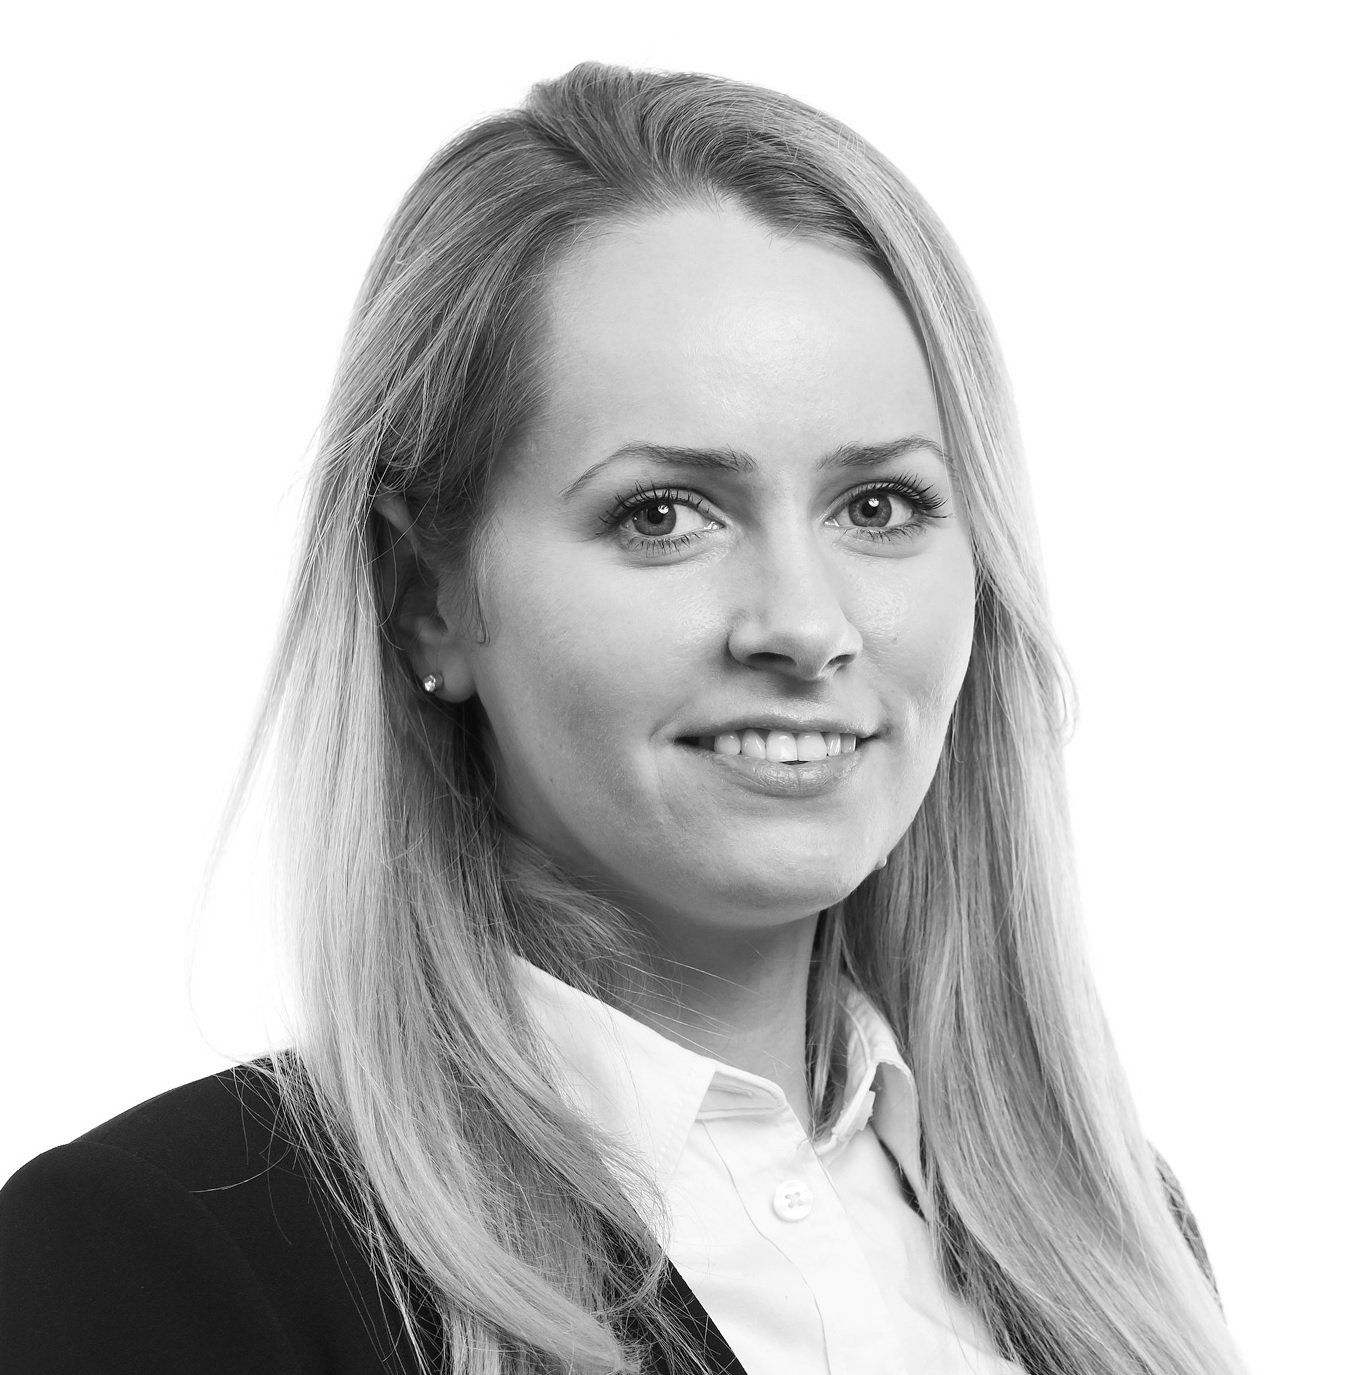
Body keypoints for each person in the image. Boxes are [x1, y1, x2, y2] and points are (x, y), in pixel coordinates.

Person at [0, 63, 1246, 1375]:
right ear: (426, 600)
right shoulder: (150, 1262)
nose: (803, 623)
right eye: (662, 515)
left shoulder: (1113, 1244)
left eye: (879, 507)